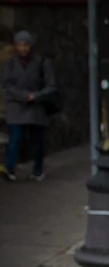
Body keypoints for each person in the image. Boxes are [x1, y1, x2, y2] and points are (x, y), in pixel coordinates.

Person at [1, 30, 56, 182]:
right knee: (15, 139)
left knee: (37, 140)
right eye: (19, 45)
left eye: (25, 45)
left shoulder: (42, 62)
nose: (23, 49)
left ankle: (38, 170)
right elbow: (7, 86)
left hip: (36, 105)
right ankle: (10, 169)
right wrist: (24, 96)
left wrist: (36, 96)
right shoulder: (10, 63)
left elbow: (51, 85)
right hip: (17, 105)